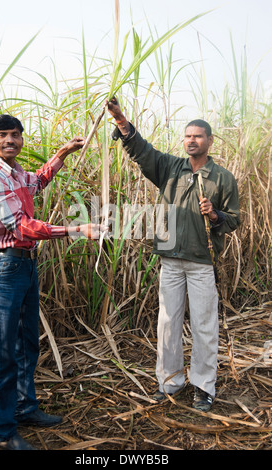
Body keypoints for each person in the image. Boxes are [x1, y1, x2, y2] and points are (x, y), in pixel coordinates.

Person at [0, 114, 106, 450]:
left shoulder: (16, 172)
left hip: (26, 268)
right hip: (6, 269)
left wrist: (62, 153)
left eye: (15, 135)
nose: (10, 141)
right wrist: (76, 230)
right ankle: (4, 432)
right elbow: (22, 227)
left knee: (27, 343)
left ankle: (24, 407)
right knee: (3, 351)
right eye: (2, 135)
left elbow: (39, 180)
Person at [106, 98, 240, 412]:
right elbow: (141, 150)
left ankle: (204, 387)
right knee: (168, 323)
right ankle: (170, 382)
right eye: (187, 136)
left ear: (209, 140)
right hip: (170, 259)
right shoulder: (169, 167)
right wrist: (122, 121)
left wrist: (216, 214)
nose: (191, 140)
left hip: (201, 262)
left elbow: (234, 219)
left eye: (198, 136)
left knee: (205, 325)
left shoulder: (222, 178)